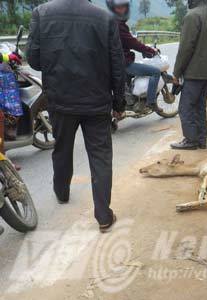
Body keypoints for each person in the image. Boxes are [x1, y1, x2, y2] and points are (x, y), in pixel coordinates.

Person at [27, 0, 125, 233]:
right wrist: (119, 102)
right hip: (97, 102)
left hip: (60, 100)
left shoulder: (42, 13)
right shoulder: (105, 18)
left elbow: (34, 59)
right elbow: (117, 64)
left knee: (62, 149)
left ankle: (61, 193)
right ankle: (103, 215)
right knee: (100, 157)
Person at [170, 0, 207, 150]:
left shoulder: (192, 16)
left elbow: (186, 48)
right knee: (200, 106)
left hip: (194, 72)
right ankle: (201, 138)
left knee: (186, 107)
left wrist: (176, 72)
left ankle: (191, 139)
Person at [106, 0, 160, 113]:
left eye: (124, 7)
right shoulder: (118, 25)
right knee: (155, 72)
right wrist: (151, 51)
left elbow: (129, 42)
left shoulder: (111, 22)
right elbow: (132, 43)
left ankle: (132, 101)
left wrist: (144, 49)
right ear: (113, 8)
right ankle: (151, 103)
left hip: (114, 62)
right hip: (123, 63)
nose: (123, 9)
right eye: (119, 7)